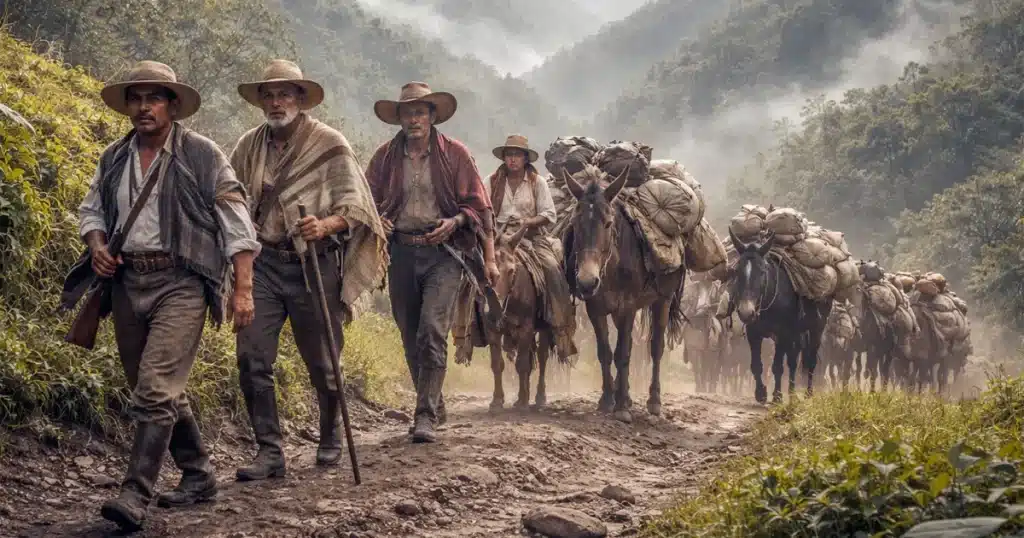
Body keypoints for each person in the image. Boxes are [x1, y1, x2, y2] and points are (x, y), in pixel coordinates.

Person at [66, 61, 260, 531]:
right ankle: (198, 473)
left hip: (183, 281)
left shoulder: (201, 154)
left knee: (155, 388)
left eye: (153, 98)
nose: (143, 107)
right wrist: (97, 247)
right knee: (155, 388)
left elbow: (236, 223)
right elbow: (92, 210)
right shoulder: (115, 156)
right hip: (127, 282)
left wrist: (243, 289)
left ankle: (135, 493)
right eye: (136, 98)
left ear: (172, 105)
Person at [229, 59, 386, 480]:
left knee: (323, 362)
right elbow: (233, 199)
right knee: (251, 357)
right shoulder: (248, 146)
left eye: (285, 94)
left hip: (312, 264)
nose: (276, 102)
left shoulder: (329, 144)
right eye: (269, 95)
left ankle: (330, 433)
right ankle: (269, 451)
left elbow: (356, 207)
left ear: (300, 98)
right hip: (263, 264)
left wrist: (325, 225)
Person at [365, 81, 499, 443]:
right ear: (399, 119)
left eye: (420, 113)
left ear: (432, 117)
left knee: (431, 331)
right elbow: (366, 199)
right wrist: (379, 219)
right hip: (400, 252)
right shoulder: (384, 157)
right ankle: (434, 402)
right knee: (410, 334)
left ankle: (424, 414)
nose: (414, 119)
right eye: (407, 113)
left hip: (445, 254)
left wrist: (456, 221)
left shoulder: (455, 154)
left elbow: (479, 204)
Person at [453, 134, 577, 364]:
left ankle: (561, 331)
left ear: (525, 159)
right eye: (509, 155)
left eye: (517, 155)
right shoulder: (491, 181)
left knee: (552, 270)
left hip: (529, 238)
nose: (512, 159)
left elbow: (549, 214)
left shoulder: (537, 183)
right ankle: (464, 337)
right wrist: (489, 230)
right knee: (468, 278)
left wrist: (529, 222)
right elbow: (481, 209)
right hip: (495, 239)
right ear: (504, 158)